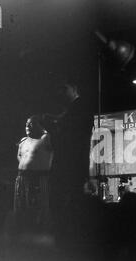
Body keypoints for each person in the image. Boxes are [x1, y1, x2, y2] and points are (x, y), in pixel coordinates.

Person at [41, 83, 95, 245]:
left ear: (73, 89)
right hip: (72, 165)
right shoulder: (73, 110)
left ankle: (66, 239)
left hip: (70, 165)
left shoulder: (78, 109)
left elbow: (72, 140)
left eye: (64, 88)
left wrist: (51, 125)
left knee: (66, 204)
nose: (60, 92)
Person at [7, 115, 54, 239]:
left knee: (38, 205)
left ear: (39, 125)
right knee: (21, 204)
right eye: (26, 123)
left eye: (31, 123)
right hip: (22, 177)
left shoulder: (45, 138)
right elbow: (19, 156)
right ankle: (21, 231)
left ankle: (38, 232)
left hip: (38, 177)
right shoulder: (22, 141)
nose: (28, 126)